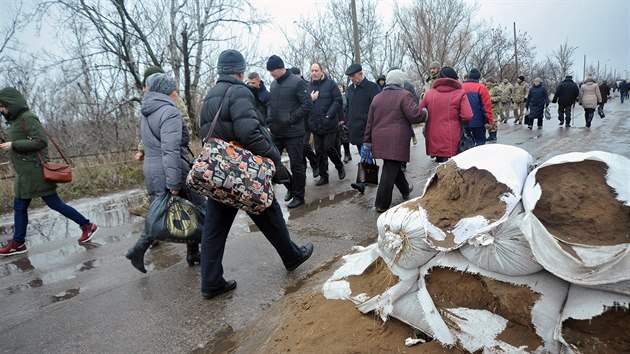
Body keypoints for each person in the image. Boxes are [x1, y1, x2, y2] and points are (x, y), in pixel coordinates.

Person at [198, 49, 313, 299]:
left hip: (219, 174)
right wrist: (275, 162)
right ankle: (292, 256)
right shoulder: (238, 91)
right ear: (240, 70)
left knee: (214, 229)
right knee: (268, 210)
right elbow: (249, 132)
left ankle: (210, 281)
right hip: (241, 172)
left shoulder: (209, 97)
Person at [0, 87, 98, 256]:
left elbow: (41, 142)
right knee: (20, 205)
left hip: (36, 171)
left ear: (10, 103)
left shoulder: (28, 118)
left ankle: (87, 226)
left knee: (53, 203)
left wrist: (13, 145)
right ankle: (18, 242)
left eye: (2, 106)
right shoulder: (15, 122)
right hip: (24, 173)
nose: (1, 110)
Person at [124, 73, 204, 273]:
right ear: (168, 90)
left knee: (170, 210)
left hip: (152, 169)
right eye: (174, 89)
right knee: (201, 209)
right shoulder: (169, 112)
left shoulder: (147, 111)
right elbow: (170, 149)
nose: (176, 92)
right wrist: (174, 183)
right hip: (171, 167)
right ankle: (209, 260)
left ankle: (192, 253)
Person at [129, 65, 193, 218]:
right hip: (166, 162)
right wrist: (142, 149)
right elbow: (159, 137)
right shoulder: (158, 106)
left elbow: (181, 130)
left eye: (146, 85)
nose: (144, 89)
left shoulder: (163, 104)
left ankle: (150, 235)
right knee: (194, 209)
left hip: (164, 162)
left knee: (163, 210)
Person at [364, 70, 428, 212]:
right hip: (396, 140)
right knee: (389, 169)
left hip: (379, 139)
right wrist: (425, 113)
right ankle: (381, 204)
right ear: (400, 82)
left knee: (393, 165)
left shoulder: (377, 98)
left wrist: (367, 141)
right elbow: (415, 115)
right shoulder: (404, 95)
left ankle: (405, 189)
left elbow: (370, 121)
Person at [266, 56, 313, 209]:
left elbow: (307, 104)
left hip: (294, 132)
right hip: (276, 132)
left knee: (297, 165)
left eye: (273, 71)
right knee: (271, 162)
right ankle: (290, 185)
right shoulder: (273, 85)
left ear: (281, 67)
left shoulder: (297, 82)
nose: (271, 74)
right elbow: (270, 105)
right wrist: (269, 120)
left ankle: (299, 196)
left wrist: (292, 118)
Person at [420, 67, 473, 162]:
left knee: (438, 169)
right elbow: (467, 115)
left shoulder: (429, 94)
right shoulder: (460, 93)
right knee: (452, 168)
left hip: (433, 138)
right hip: (453, 137)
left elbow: (420, 112)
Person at [344, 63, 381, 194]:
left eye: (353, 76)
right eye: (350, 77)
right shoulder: (350, 89)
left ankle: (362, 183)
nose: (352, 79)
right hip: (355, 128)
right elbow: (348, 107)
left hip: (368, 127)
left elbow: (377, 108)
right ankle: (369, 178)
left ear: (361, 73)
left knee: (365, 153)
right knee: (363, 153)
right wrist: (347, 120)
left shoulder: (372, 88)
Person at [307, 62, 346, 186]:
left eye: (316, 70)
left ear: (321, 71)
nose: (314, 73)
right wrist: (310, 99)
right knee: (319, 151)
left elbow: (338, 100)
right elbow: (305, 104)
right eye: (312, 70)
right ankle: (324, 176)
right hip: (315, 124)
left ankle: (339, 166)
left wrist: (330, 114)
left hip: (329, 124)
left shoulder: (330, 84)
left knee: (328, 148)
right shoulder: (308, 86)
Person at [462, 68, 494, 144]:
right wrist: (489, 121)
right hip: (478, 122)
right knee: (480, 143)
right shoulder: (482, 88)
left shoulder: (461, 87)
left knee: (467, 143)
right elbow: (486, 106)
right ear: (478, 77)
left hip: (464, 122)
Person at [337, 82, 352, 164]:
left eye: (340, 87)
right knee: (338, 140)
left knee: (345, 139)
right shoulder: (334, 96)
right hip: (336, 120)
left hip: (345, 120)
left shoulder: (346, 96)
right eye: (337, 87)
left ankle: (347, 154)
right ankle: (339, 156)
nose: (339, 88)